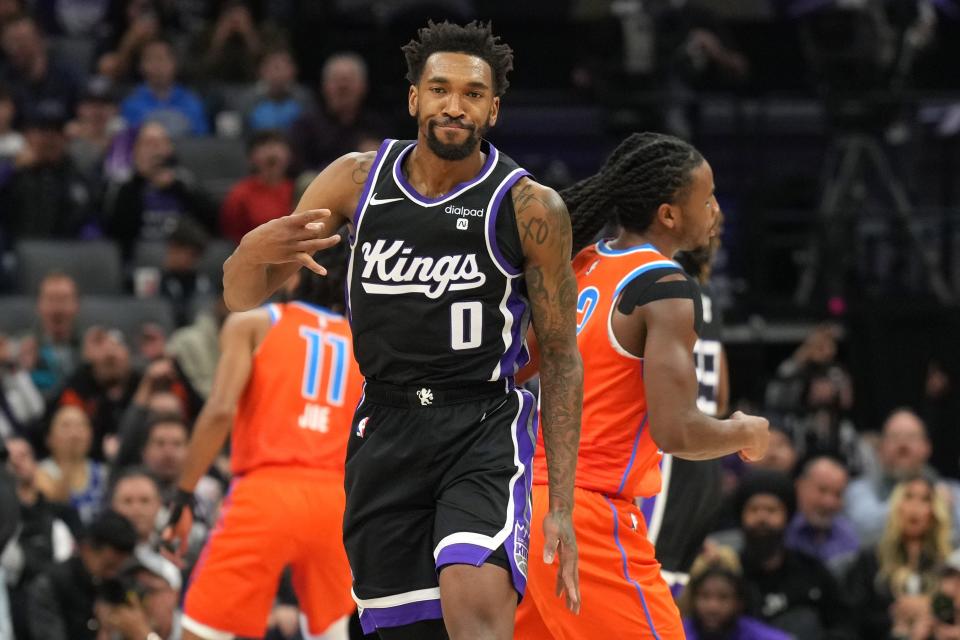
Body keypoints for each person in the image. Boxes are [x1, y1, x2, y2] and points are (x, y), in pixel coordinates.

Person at [221, 20, 583, 639]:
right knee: (405, 630)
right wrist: (251, 251)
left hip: (482, 426)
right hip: (384, 425)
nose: (454, 105)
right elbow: (241, 295)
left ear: (493, 110)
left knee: (475, 605)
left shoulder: (529, 207)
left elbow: (561, 356)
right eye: (440, 88)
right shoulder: (356, 180)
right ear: (414, 98)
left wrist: (563, 507)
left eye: (473, 94)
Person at [510, 132, 769, 639]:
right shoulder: (665, 286)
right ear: (670, 215)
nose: (716, 209)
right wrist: (745, 432)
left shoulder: (581, 263)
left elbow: (516, 367)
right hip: (587, 515)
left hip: (523, 505)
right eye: (707, 197)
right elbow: (677, 432)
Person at [165, 243, 363, 640]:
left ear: (296, 274)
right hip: (335, 500)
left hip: (267, 490)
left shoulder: (254, 324)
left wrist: (184, 493)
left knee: (201, 630)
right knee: (335, 632)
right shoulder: (364, 345)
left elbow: (220, 410)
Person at [643, 201, 729, 592]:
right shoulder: (705, 293)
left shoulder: (661, 283)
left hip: (670, 457)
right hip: (706, 460)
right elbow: (722, 395)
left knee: (638, 587)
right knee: (666, 592)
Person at [845, 475, 953, 640]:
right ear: (896, 505)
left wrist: (931, 607)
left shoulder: (947, 563)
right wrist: (896, 616)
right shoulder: (870, 559)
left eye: (925, 500)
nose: (914, 507)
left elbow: (953, 609)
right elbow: (854, 617)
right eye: (908, 497)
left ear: (934, 512)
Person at [846, 408, 960, 546]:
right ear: (880, 449)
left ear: (927, 448)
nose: (903, 445)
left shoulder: (951, 490)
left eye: (911, 437)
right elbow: (862, 530)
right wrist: (930, 504)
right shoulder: (859, 489)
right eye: (894, 437)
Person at [26, 509, 137, 640]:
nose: (113, 574)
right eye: (109, 566)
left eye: (120, 568)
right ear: (86, 549)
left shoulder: (117, 586)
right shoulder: (51, 585)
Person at [680, 546, 792, 640]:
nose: (713, 607)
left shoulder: (759, 635)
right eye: (705, 596)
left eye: (723, 597)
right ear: (693, 599)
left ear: (739, 602)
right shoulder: (673, 634)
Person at [785, 455, 860, 576]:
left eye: (838, 494)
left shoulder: (848, 536)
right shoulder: (782, 529)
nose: (829, 502)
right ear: (799, 487)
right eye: (822, 490)